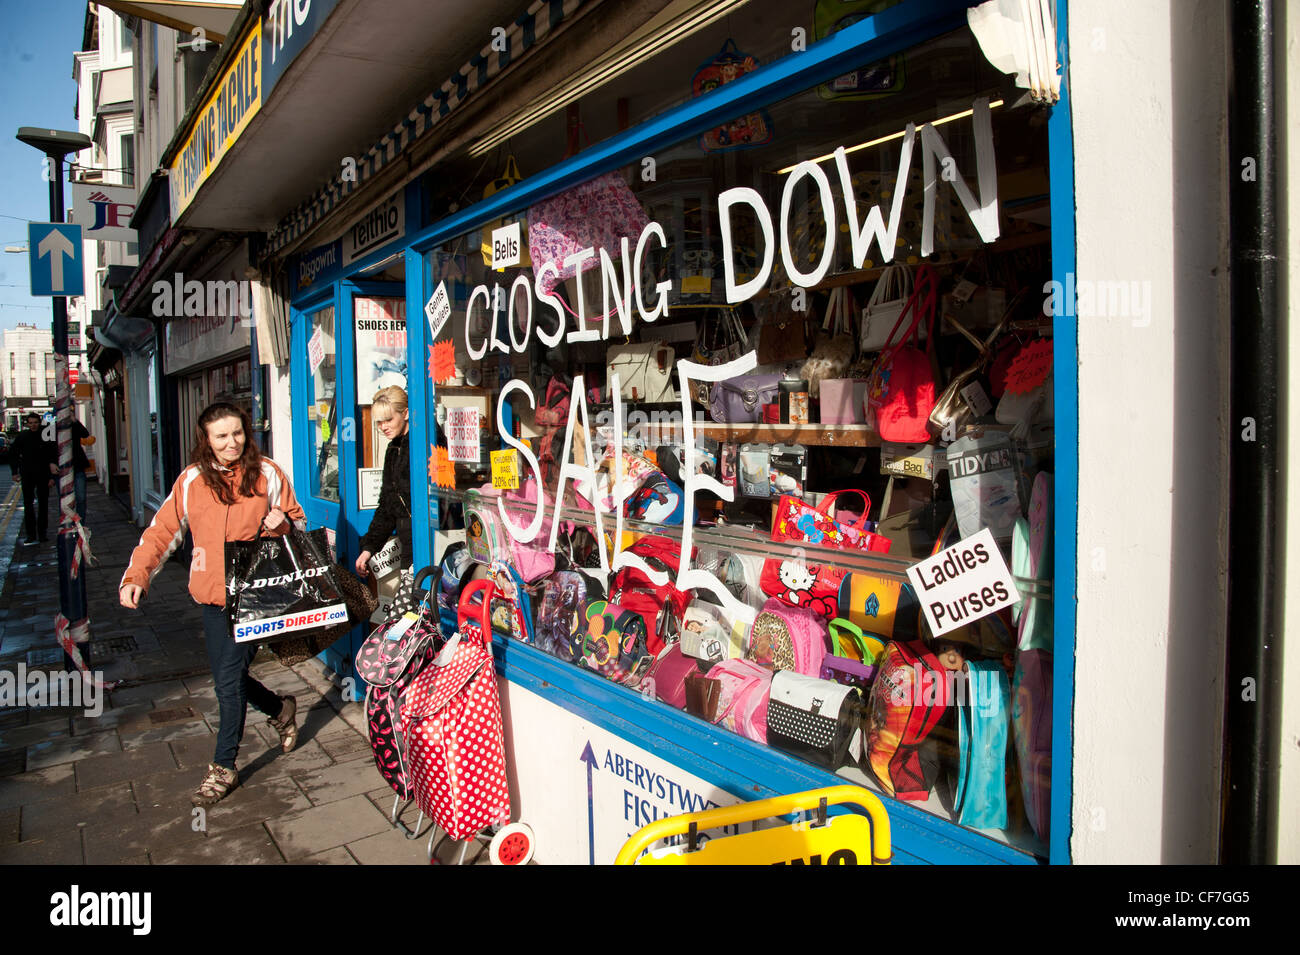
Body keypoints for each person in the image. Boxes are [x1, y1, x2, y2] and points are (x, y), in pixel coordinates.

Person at [119, 403, 305, 807]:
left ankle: (224, 767)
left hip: (258, 596)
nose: (231, 442)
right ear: (205, 439)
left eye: (237, 433)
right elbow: (162, 532)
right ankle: (280, 708)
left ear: (246, 433)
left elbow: (300, 525)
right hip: (212, 597)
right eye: (221, 436)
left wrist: (284, 525)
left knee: (226, 681)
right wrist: (137, 575)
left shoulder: (268, 473)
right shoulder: (191, 481)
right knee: (230, 677)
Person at [355, 386, 412, 576]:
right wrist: (369, 548)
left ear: (405, 413)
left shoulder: (422, 442)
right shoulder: (393, 449)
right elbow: (387, 503)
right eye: (379, 422)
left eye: (388, 420)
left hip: (429, 539)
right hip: (408, 542)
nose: (383, 427)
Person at [9, 412, 57, 544]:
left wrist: (52, 477)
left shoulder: (46, 434)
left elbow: (53, 454)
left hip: (43, 475)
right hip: (27, 474)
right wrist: (15, 472)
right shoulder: (22, 436)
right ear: (27, 424)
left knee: (43, 505)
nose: (33, 425)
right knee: (28, 504)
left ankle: (42, 534)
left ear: (39, 422)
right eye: (30, 423)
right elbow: (13, 454)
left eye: (35, 422)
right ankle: (31, 535)